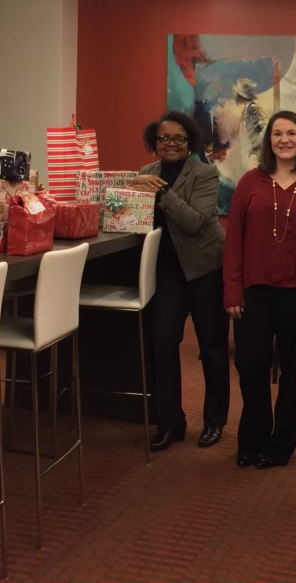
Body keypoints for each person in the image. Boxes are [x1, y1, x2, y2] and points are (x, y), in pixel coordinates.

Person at [223, 110, 296, 468]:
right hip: (253, 291)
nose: (284, 140)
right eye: (277, 134)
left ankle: (281, 445)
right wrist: (232, 291)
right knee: (249, 363)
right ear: (268, 140)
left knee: (294, 369)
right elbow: (234, 239)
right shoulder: (249, 182)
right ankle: (252, 439)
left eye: (291, 133)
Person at [129, 111, 230, 451]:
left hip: (205, 268)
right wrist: (126, 195)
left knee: (211, 347)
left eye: (179, 138)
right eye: (164, 138)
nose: (171, 144)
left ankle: (214, 421)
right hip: (167, 272)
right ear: (153, 142)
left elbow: (195, 221)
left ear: (190, 143)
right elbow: (136, 218)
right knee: (162, 344)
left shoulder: (205, 173)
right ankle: (170, 423)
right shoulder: (146, 172)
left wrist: (162, 193)